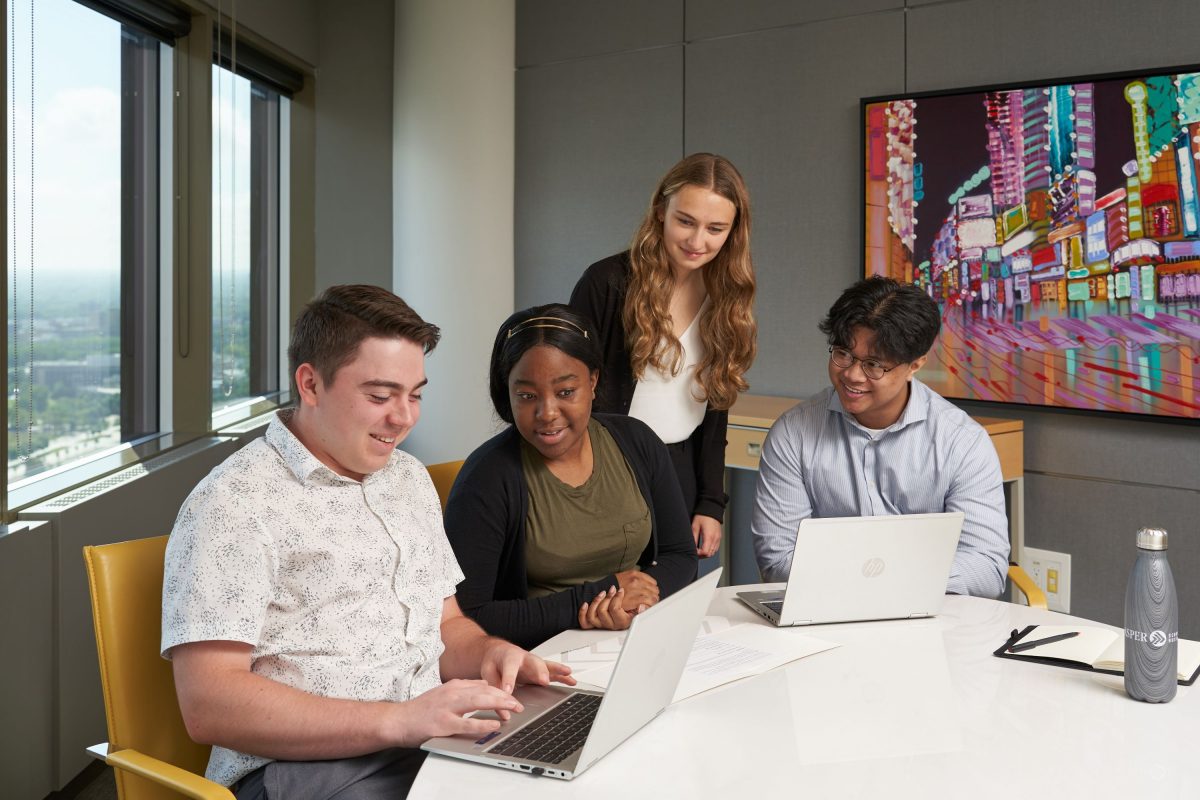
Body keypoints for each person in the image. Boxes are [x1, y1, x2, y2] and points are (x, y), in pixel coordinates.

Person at [161, 285, 573, 799]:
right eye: (379, 396)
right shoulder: (233, 503)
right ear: (310, 384)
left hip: (426, 740)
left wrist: (491, 652)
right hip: (304, 771)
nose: (403, 418)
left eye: (415, 394)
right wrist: (398, 721)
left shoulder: (407, 478)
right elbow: (209, 705)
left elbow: (445, 624)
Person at [444, 304, 698, 650]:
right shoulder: (486, 479)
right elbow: (468, 616)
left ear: (592, 381)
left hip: (636, 639)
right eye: (526, 396)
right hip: (537, 659)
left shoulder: (637, 442)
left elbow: (680, 555)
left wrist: (635, 602)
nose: (547, 413)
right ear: (508, 392)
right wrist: (593, 601)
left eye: (566, 392)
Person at [751, 276, 1009, 598]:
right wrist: (886, 581)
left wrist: (886, 584)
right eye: (843, 353)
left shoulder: (962, 442)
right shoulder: (794, 434)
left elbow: (986, 568)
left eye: (874, 365)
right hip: (827, 615)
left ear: (915, 365)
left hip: (932, 623)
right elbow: (777, 558)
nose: (851, 375)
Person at [570, 153, 756, 560]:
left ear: (733, 231)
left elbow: (717, 402)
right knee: (615, 607)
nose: (697, 241)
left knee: (677, 606)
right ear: (660, 212)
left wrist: (710, 502)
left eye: (715, 228)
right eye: (685, 221)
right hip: (608, 470)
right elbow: (571, 391)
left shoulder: (728, 293)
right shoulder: (606, 283)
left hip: (681, 474)